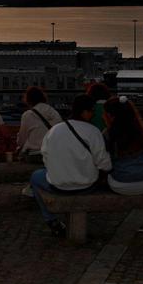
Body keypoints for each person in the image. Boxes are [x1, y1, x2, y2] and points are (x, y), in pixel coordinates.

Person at [30, 94, 112, 237]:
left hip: (58, 185)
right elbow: (105, 164)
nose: (93, 115)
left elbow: (46, 157)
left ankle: (51, 219)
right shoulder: (93, 132)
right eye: (92, 111)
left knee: (35, 177)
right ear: (85, 112)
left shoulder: (54, 130)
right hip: (87, 186)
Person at [102, 96, 143, 195]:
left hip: (121, 183)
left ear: (110, 116)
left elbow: (104, 162)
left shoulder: (107, 134)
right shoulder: (140, 131)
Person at [15, 86, 60, 163]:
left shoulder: (27, 115)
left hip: (35, 155)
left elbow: (21, 140)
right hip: (53, 154)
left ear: (28, 100)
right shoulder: (54, 113)